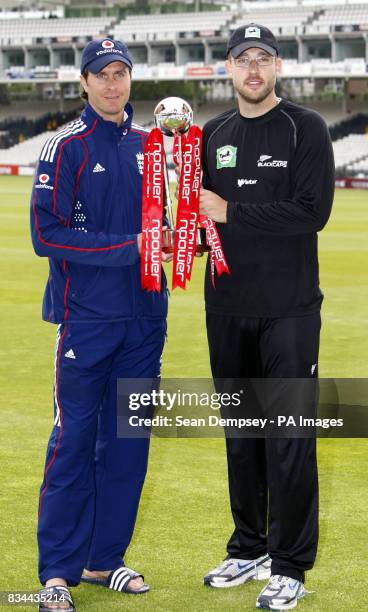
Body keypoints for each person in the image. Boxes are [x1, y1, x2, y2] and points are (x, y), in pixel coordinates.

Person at [30, 38, 170, 612]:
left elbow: (172, 222)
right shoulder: (65, 147)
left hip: (145, 320)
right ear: (83, 83)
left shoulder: (153, 146)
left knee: (128, 445)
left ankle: (103, 559)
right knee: (74, 442)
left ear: (131, 81)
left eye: (121, 74)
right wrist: (129, 248)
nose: (112, 84)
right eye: (101, 75)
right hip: (86, 322)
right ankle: (57, 573)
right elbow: (47, 236)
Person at [198, 23, 334, 610]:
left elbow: (313, 211)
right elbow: (202, 217)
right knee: (241, 436)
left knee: (289, 440)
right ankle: (249, 545)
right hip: (226, 306)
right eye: (242, 59)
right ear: (227, 68)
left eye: (263, 58)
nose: (253, 69)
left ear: (277, 67)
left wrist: (231, 210)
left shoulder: (306, 128)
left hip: (289, 310)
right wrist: (187, 234)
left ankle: (290, 564)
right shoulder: (210, 133)